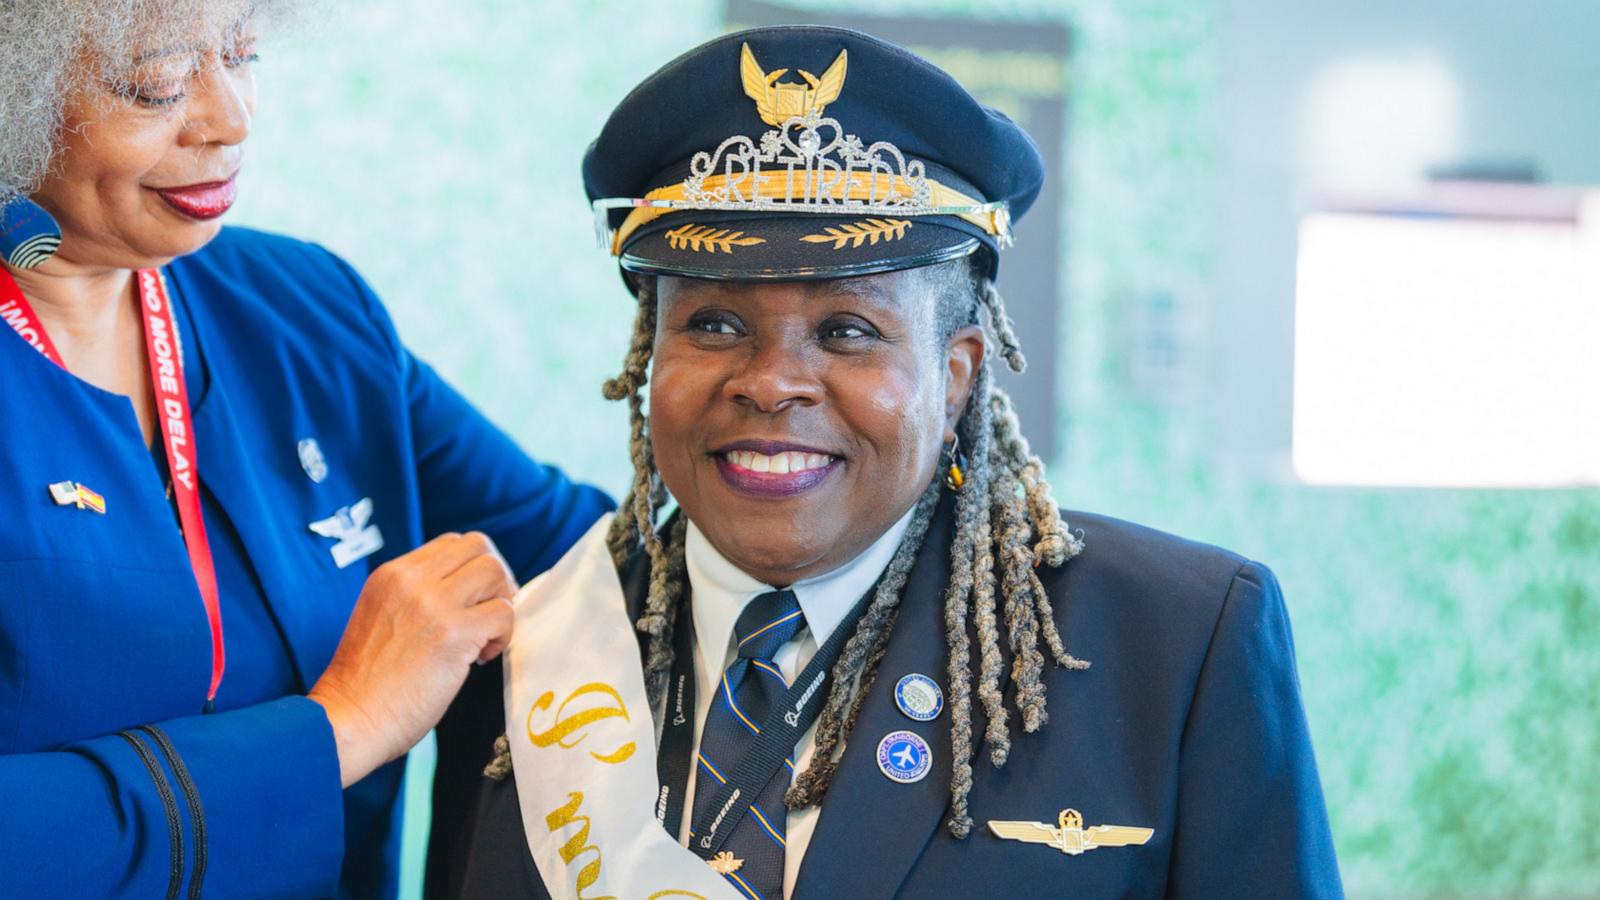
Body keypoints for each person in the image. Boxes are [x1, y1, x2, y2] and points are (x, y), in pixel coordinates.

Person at [429, 24, 1342, 900]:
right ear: (649, 355)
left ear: (955, 380)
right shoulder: (529, 645)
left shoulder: (1177, 644)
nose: (772, 382)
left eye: (847, 331)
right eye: (713, 323)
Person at [0, 3, 609, 897]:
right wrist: (344, 726)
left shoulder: (304, 307)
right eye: (157, 82)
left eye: (242, 53)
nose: (230, 119)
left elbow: (589, 557)